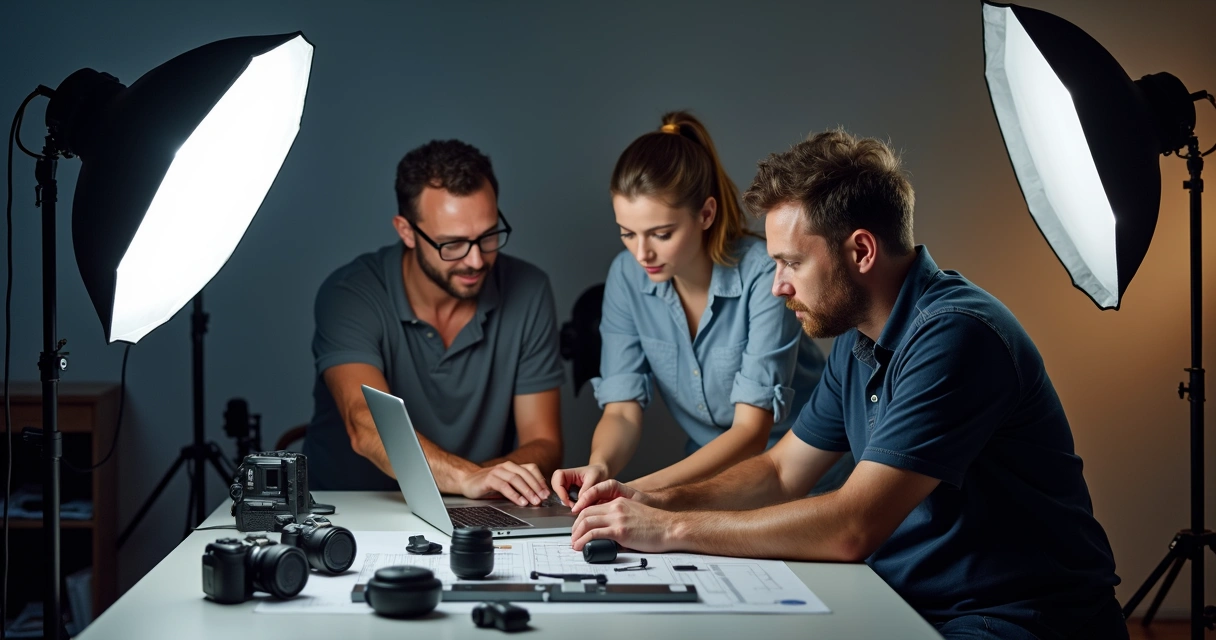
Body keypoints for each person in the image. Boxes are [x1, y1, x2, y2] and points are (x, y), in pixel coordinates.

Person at [566, 130, 1127, 639]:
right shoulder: (858, 341)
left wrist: (671, 528)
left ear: (861, 251)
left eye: (791, 263)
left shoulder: (956, 335)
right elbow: (781, 472)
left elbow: (853, 526)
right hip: (909, 605)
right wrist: (650, 500)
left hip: (1016, 618)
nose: (778, 286)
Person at [552, 111, 848, 509]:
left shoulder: (766, 273)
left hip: (808, 483)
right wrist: (600, 469)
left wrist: (639, 492)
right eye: (627, 234)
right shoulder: (626, 275)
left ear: (706, 214)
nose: (642, 253)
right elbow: (621, 411)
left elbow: (751, 432)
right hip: (708, 487)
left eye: (661, 234)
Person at [304, 139, 563, 507]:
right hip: (348, 510)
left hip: (472, 509)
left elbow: (544, 442)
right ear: (406, 231)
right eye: (452, 244)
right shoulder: (351, 293)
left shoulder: (528, 289)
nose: (476, 261)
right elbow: (365, 423)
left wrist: (481, 483)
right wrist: (466, 477)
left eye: (489, 236)